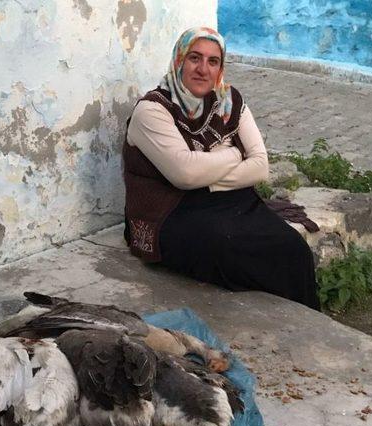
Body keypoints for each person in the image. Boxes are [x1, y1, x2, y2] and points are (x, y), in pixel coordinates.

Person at [122, 27, 320, 310]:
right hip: (168, 214)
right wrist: (235, 153)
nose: (203, 69)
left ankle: (304, 324)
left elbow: (260, 167)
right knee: (231, 249)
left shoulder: (229, 101)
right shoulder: (152, 111)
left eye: (213, 61)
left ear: (220, 67)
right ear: (179, 60)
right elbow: (185, 174)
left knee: (293, 248)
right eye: (194, 58)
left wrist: (208, 178)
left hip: (230, 203)